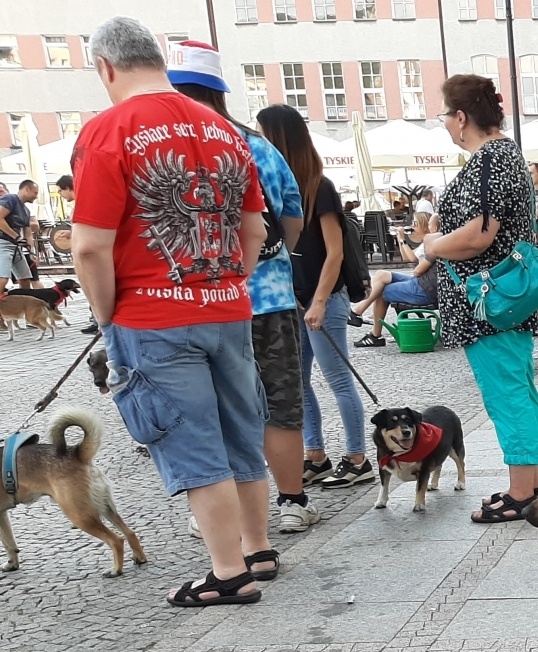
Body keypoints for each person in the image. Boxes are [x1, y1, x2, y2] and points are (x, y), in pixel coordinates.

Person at [73, 16, 273, 607]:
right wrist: (228, 279)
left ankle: (227, 571)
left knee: (192, 443)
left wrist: (108, 314)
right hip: (227, 306)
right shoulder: (222, 129)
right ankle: (258, 547)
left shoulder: (108, 130)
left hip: (152, 314)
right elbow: (254, 230)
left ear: (106, 67)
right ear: (159, 59)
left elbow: (88, 246)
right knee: (241, 430)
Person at [170, 41, 321, 537]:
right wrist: (272, 260)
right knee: (280, 404)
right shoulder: (258, 146)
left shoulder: (164, 146)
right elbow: (293, 217)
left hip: (194, 304)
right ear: (219, 91)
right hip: (269, 297)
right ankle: (293, 501)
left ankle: (220, 511)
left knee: (213, 408)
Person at [426, 74, 538, 524]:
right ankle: (528, 482)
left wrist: (432, 245)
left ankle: (522, 490)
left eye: (444, 115)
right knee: (517, 388)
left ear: (461, 117)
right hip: (500, 294)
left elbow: (479, 235)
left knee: (507, 393)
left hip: (488, 300)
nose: (443, 124)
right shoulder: (506, 153)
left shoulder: (489, 159)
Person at [258, 105, 373, 491]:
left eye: (262, 133)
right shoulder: (276, 190)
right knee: (298, 383)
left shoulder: (319, 187)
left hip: (325, 299)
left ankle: (357, 458)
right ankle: (315, 454)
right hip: (292, 301)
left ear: (279, 138)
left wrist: (321, 300)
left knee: (338, 379)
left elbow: (334, 252)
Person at [350, 254, 438, 345]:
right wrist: (402, 240)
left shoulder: (435, 243)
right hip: (422, 281)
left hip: (426, 288)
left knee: (382, 288)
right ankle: (357, 312)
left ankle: (375, 335)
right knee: (381, 275)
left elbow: (417, 270)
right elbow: (407, 257)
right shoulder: (434, 243)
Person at [0, 179, 39, 285]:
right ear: (27, 189)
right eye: (35, 193)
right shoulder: (10, 199)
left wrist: (31, 251)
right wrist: (16, 237)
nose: (36, 196)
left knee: (25, 279)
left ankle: (24, 301)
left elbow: (28, 233)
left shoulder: (26, 210)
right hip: (3, 243)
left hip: (15, 246)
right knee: (3, 278)